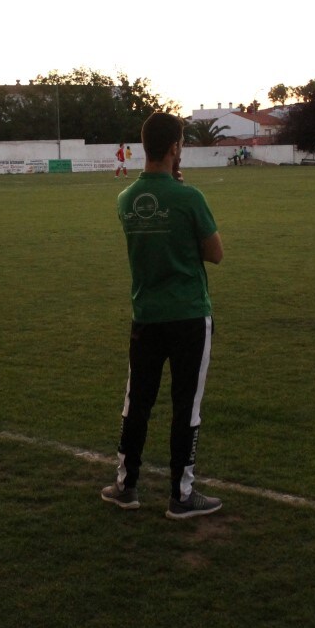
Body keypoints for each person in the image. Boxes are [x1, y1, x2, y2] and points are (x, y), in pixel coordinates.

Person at [103, 112, 224, 519]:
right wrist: (180, 193)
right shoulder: (190, 198)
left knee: (138, 402)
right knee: (185, 406)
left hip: (147, 316)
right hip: (189, 315)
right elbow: (215, 253)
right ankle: (181, 494)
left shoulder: (125, 200)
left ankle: (126, 485)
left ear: (142, 147)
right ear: (175, 148)